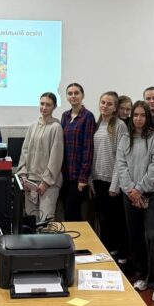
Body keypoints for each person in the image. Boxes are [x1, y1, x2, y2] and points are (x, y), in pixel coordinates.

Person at [116, 101, 154, 302]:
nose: (138, 119)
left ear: (148, 117)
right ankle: (141, 274)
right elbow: (121, 166)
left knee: (153, 236)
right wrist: (131, 191)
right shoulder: (125, 138)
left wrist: (140, 189)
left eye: (142, 115)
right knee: (135, 236)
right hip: (130, 195)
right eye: (135, 115)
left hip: (151, 194)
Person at [90, 91, 128, 255]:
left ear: (115, 108)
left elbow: (121, 157)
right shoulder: (97, 125)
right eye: (103, 102)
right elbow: (93, 153)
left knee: (116, 221)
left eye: (109, 104)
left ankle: (120, 257)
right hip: (98, 180)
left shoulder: (120, 126)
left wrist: (115, 184)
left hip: (112, 182)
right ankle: (107, 254)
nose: (105, 106)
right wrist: (91, 180)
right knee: (103, 221)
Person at [17, 93, 64, 222]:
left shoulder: (56, 127)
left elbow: (56, 157)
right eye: (42, 104)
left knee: (46, 222)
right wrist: (23, 177)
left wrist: (46, 182)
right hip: (30, 182)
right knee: (31, 221)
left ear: (54, 107)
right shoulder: (33, 126)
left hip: (48, 184)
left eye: (48, 105)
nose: (44, 107)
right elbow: (25, 151)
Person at [60, 83, 95, 221]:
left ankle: (78, 236)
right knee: (67, 212)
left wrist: (83, 178)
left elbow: (88, 148)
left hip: (78, 175)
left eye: (76, 93)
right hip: (65, 174)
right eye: (70, 93)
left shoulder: (88, 116)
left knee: (72, 212)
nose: (73, 96)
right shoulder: (65, 116)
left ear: (82, 95)